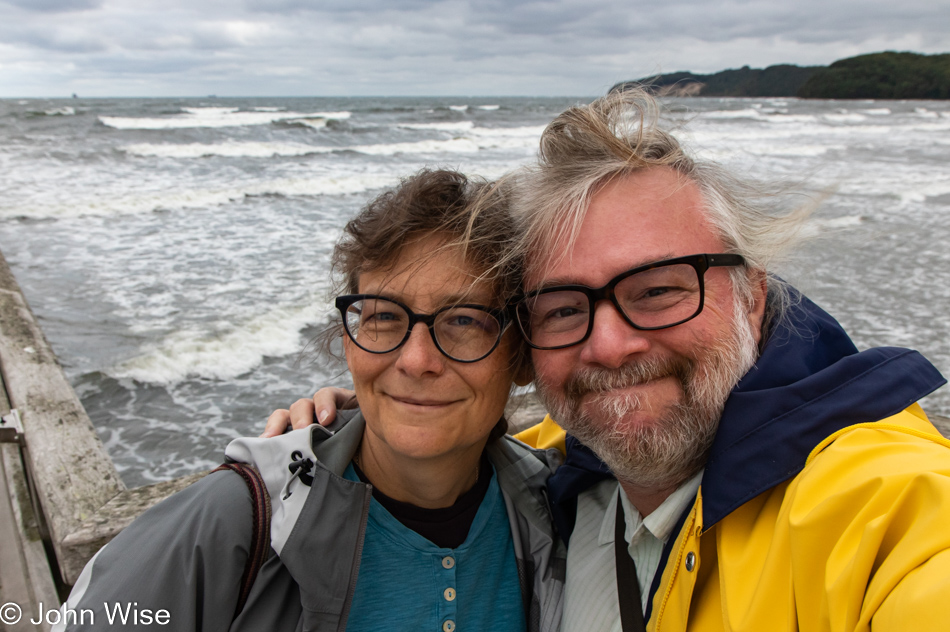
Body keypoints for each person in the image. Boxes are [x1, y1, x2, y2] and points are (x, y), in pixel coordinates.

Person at [272, 89, 950, 631]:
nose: (609, 346)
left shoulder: (879, 506)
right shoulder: (561, 477)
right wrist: (371, 419)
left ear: (751, 297)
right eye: (564, 308)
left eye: (657, 291)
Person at [56, 169, 566, 632]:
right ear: (349, 341)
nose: (416, 360)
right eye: (384, 316)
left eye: (463, 321)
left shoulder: (555, 509)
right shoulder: (240, 521)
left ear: (522, 354)